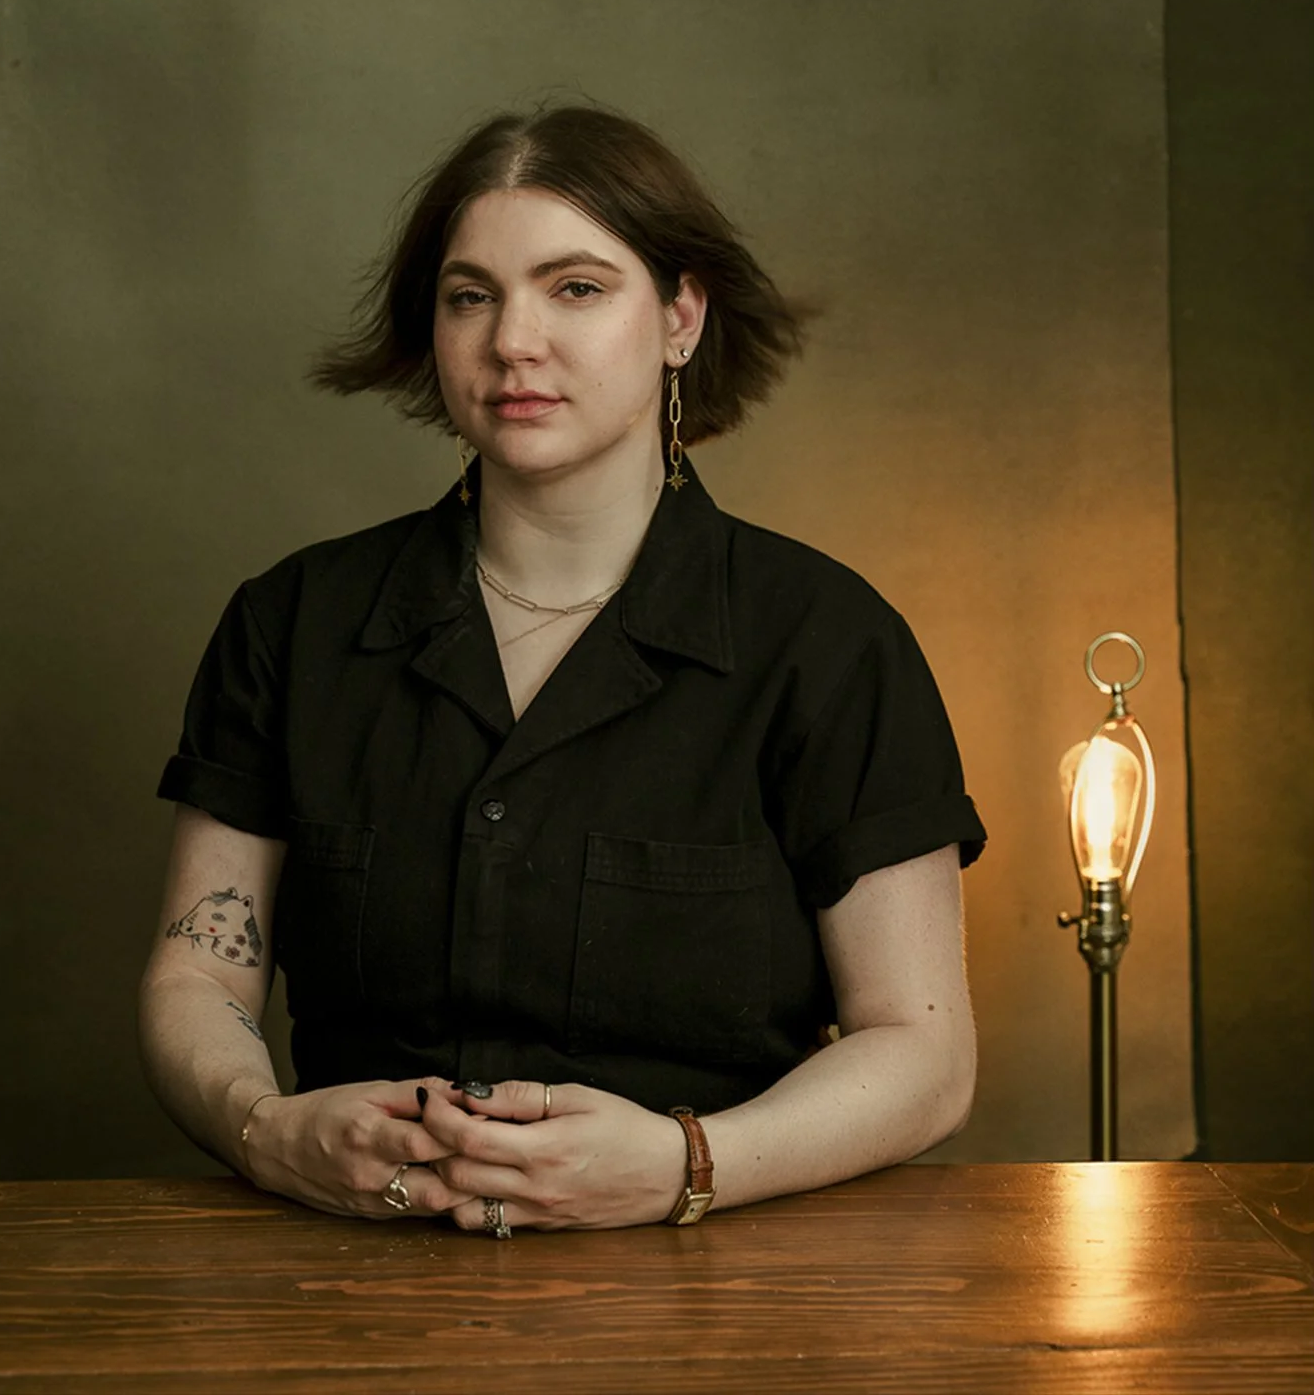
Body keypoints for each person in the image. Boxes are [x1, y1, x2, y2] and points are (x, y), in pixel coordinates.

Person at [139, 103, 985, 1236]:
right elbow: (200, 980)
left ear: (681, 317)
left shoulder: (829, 641)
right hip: (345, 1275)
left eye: (575, 287)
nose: (512, 342)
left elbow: (924, 1052)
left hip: (723, 1287)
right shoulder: (291, 622)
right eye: (470, 295)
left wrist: (691, 1163)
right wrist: (266, 1130)